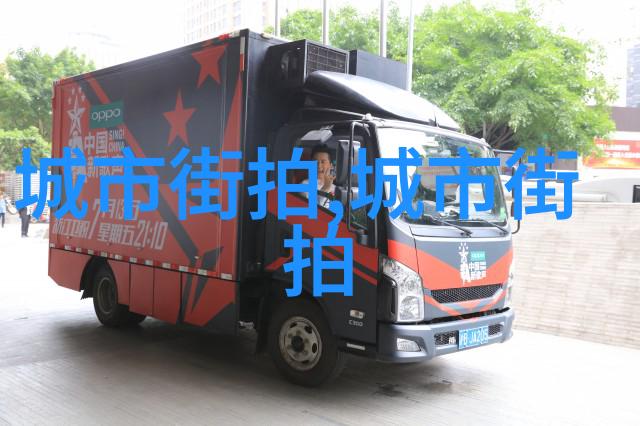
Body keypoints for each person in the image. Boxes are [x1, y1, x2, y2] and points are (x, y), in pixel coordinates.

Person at [302, 144, 336, 209]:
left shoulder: (336, 189)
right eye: (315, 161)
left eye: (323, 162)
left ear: (331, 165)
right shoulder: (304, 186)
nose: (319, 166)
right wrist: (325, 187)